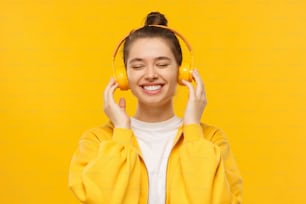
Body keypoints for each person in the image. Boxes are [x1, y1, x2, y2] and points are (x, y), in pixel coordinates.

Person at [68, 11, 243, 204]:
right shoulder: (98, 140)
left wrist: (192, 128)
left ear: (181, 72)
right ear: (124, 77)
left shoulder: (211, 139)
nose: (150, 74)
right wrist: (121, 134)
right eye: (137, 66)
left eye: (162, 64)